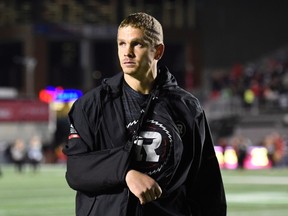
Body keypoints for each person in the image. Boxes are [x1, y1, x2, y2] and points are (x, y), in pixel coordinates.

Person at [63, 12, 226, 216]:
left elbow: (206, 183)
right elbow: (77, 170)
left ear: (157, 51)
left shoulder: (186, 107)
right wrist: (126, 173)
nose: (127, 52)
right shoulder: (91, 105)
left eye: (137, 44)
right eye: (122, 44)